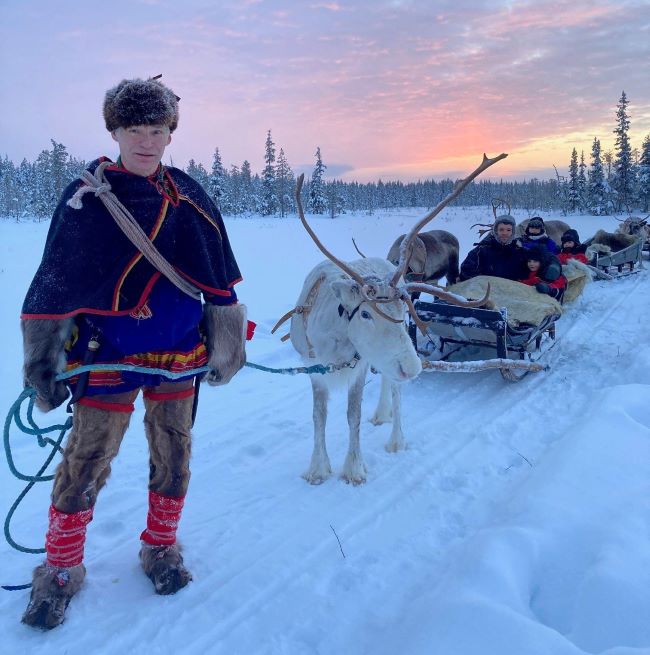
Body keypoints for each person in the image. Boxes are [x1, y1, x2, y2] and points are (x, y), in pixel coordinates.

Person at [20, 77, 247, 629]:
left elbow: (218, 281)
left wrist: (226, 345)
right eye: (133, 130)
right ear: (114, 130)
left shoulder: (189, 195)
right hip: (107, 355)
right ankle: (60, 571)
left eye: (157, 130)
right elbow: (54, 284)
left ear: (170, 134)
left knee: (174, 454)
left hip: (178, 352)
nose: (145, 141)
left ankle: (161, 548)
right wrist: (43, 363)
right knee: (86, 460)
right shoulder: (86, 198)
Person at [459, 214, 526, 281]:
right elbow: (466, 269)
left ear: (513, 232)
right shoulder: (482, 250)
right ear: (496, 231)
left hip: (512, 290)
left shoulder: (520, 252)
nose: (505, 233)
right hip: (485, 289)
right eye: (501, 230)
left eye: (508, 230)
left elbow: (530, 271)